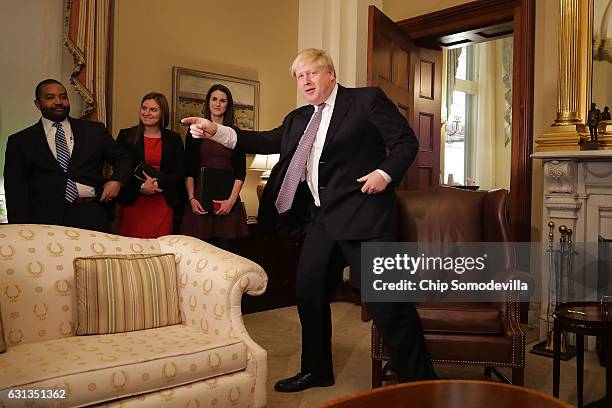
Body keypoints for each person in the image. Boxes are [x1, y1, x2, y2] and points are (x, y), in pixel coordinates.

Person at [182, 49, 436, 392]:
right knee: (309, 292)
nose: (305, 82)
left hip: (366, 217)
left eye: (311, 74)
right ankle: (317, 370)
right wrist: (216, 130)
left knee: (388, 306)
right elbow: (264, 140)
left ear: (330, 73)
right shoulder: (300, 118)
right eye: (300, 77)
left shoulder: (366, 101)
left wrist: (384, 173)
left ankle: (420, 385)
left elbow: (406, 142)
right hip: (322, 220)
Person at [4, 79, 131, 232]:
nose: (59, 102)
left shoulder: (94, 131)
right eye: (50, 97)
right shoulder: (20, 141)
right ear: (37, 104)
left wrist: (117, 180)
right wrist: (20, 229)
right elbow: (15, 190)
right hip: (43, 222)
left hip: (91, 216)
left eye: (63, 97)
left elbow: (124, 157)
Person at [180, 84, 249, 249]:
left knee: (227, 255)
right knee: (199, 253)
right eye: (214, 99)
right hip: (199, 200)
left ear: (228, 105)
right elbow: (188, 170)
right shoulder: (195, 132)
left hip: (228, 202)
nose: (218, 104)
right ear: (208, 102)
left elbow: (240, 173)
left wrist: (231, 202)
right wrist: (192, 199)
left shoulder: (235, 134)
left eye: (223, 100)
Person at [116, 92, 185, 238]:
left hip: (163, 202)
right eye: (144, 108)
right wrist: (141, 187)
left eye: (153, 110)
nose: (146, 113)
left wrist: (156, 184)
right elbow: (119, 170)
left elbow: (180, 173)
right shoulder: (126, 135)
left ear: (162, 113)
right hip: (133, 202)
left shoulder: (174, 139)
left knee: (159, 251)